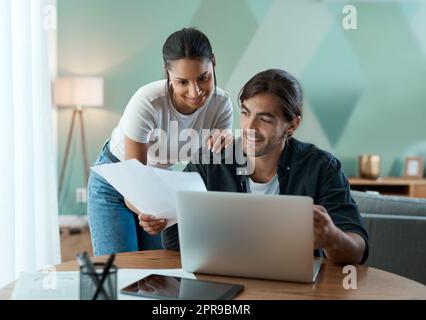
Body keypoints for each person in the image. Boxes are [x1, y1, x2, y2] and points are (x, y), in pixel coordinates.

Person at [140, 69, 369, 265]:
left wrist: (332, 238)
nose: (249, 127)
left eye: (265, 119)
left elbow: (357, 250)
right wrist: (162, 218)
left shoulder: (322, 167)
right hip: (223, 283)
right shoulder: (211, 160)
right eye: (246, 113)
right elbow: (174, 241)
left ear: (292, 125)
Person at [88, 28, 233, 256]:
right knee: (121, 271)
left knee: (156, 272)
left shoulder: (221, 105)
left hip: (157, 186)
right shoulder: (147, 102)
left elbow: (217, 174)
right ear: (167, 73)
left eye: (203, 78)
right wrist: (149, 212)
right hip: (116, 182)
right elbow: (133, 184)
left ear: (213, 63)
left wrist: (229, 145)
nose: (195, 92)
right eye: (182, 82)